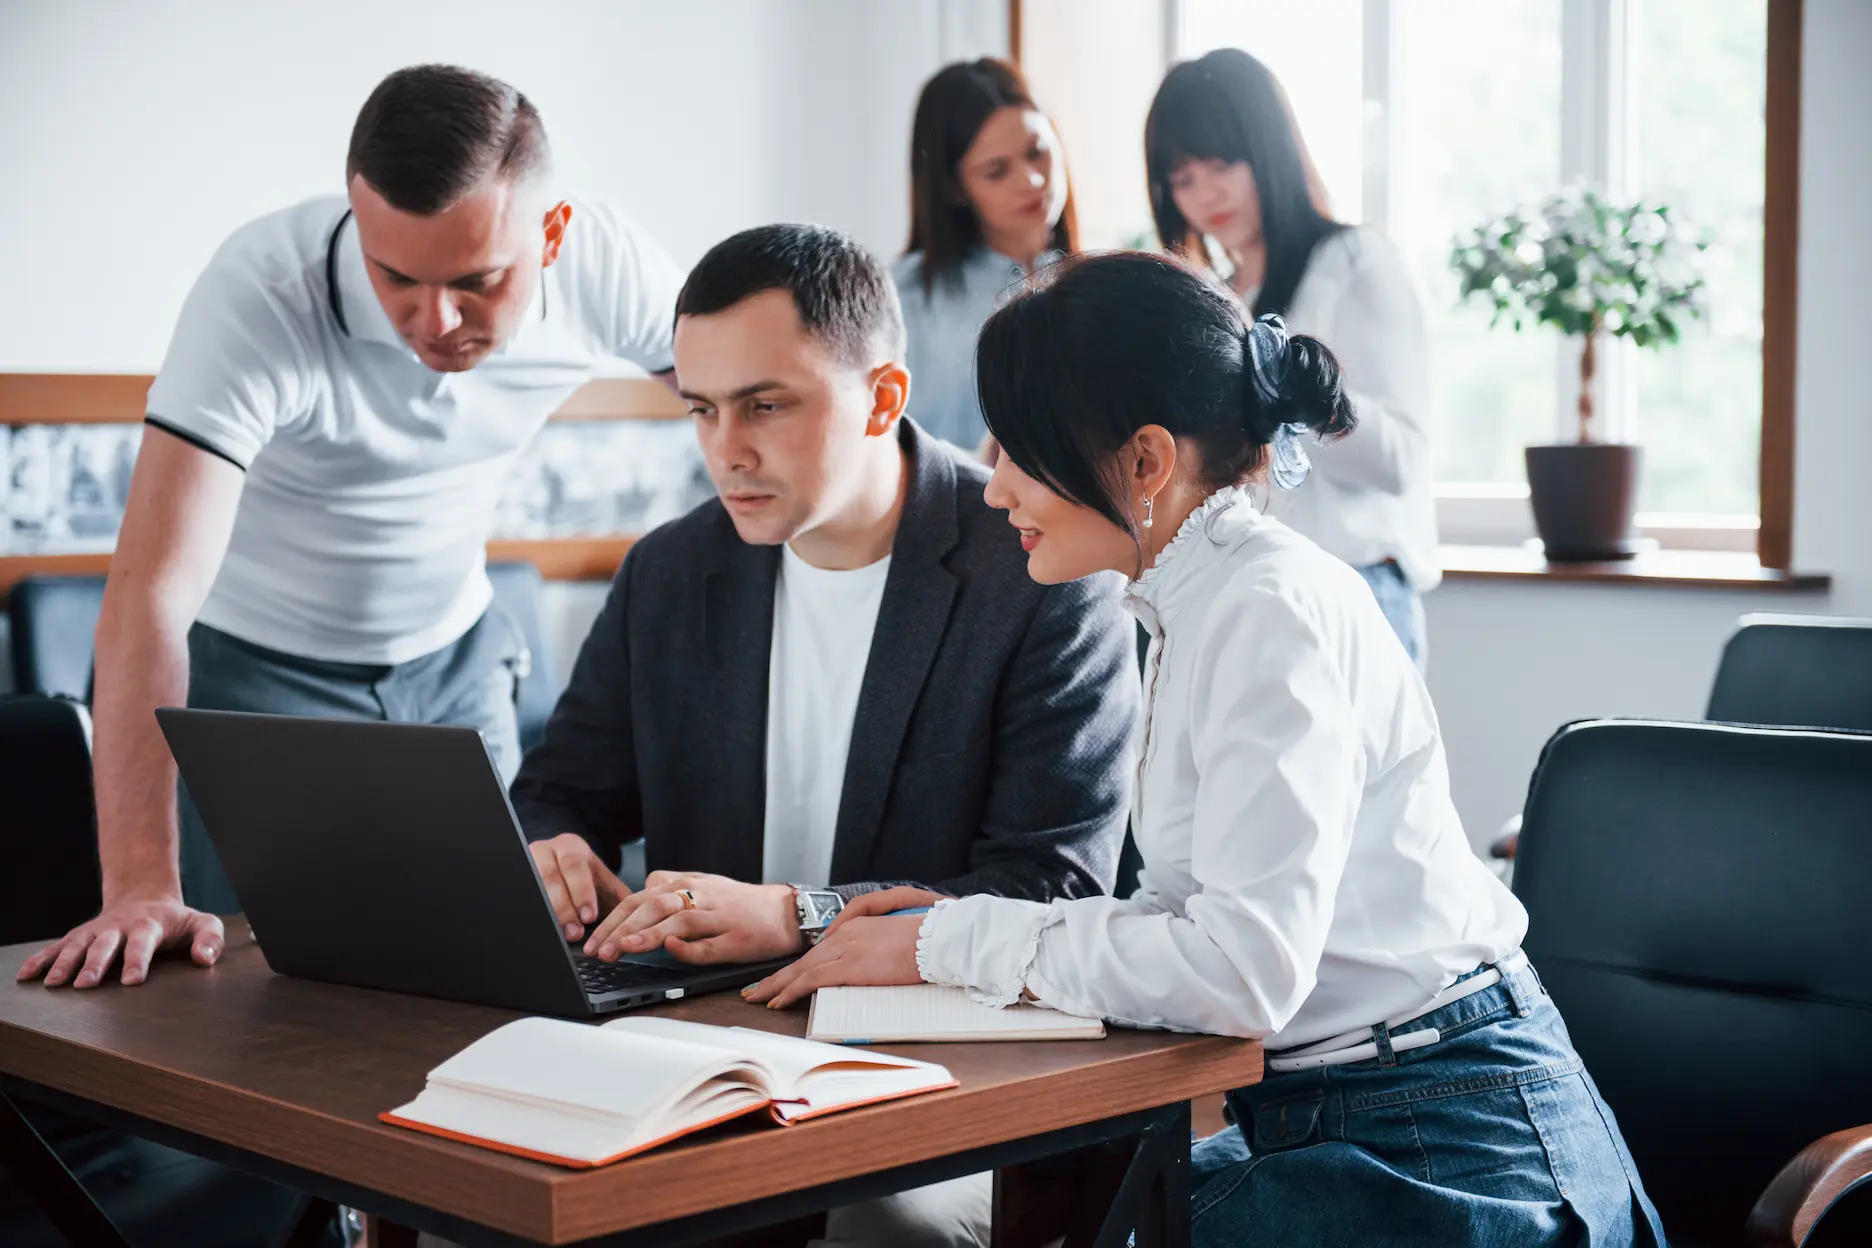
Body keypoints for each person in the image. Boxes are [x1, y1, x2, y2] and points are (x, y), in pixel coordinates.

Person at [748, 252, 1665, 1247]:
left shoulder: (1266, 610)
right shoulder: (1199, 599)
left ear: (1146, 462)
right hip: (1356, 1109)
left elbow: (1241, 971)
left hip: (1446, 1140)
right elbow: (1190, 921)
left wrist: (944, 943)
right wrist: (959, 925)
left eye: (1017, 448)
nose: (992, 482)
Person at [510, 224, 1137, 1248]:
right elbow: (563, 794)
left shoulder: (1040, 572)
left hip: (952, 1067)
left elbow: (1055, 889)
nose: (727, 449)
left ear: (883, 398)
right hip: (705, 1046)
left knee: (879, 1225)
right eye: (702, 410)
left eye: (766, 404)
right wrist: (557, 853)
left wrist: (802, 918)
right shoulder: (667, 573)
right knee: (482, 1187)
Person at [17, 64, 686, 992]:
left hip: (458, 661)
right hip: (256, 676)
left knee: (498, 981)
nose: (433, 320)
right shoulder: (260, 292)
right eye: (396, 277)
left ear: (553, 234)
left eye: (476, 282)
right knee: (264, 1004)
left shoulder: (610, 264)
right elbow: (150, 598)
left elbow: (762, 388)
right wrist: (138, 884)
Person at [1146, 48, 1438, 663]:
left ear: (1268, 148)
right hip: (1246, 598)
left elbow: (1401, 460)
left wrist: (1303, 387)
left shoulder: (1355, 263)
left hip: (1355, 592)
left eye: (1222, 162)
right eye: (1183, 177)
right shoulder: (1219, 297)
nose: (1206, 193)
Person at [892, 58, 1076, 456]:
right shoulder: (904, 299)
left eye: (1037, 152)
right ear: (954, 188)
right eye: (996, 171)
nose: (1031, 181)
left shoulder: (1104, 283)